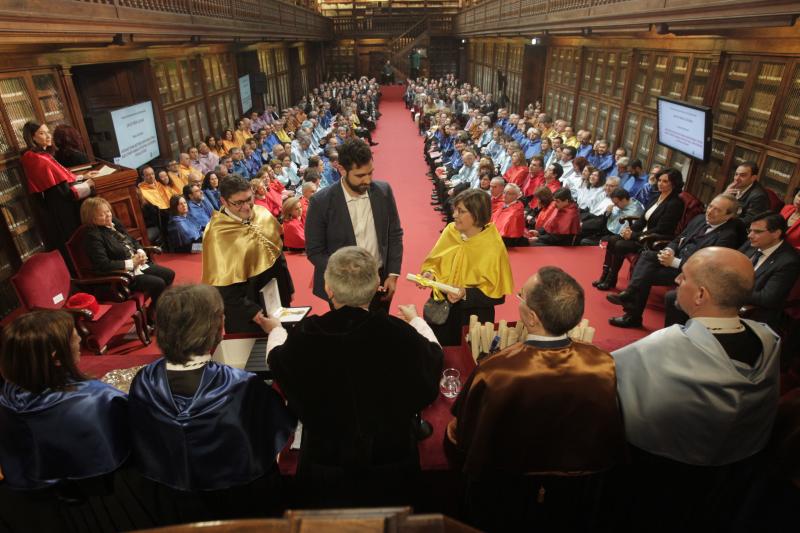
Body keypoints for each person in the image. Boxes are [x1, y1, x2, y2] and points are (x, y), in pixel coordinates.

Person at [612, 247, 781, 531]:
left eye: (684, 277)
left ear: (701, 295)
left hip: (663, 475)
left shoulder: (668, 345)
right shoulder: (769, 338)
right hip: (737, 474)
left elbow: (607, 381)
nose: (677, 281)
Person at [448, 267, 625, 532]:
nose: (518, 298)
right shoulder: (602, 363)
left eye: (521, 296)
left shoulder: (497, 370)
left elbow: (462, 436)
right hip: (575, 498)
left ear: (531, 317)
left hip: (505, 493)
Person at [266, 246, 443, 507]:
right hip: (393, 471)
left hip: (325, 473)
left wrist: (277, 331)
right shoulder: (399, 335)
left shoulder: (307, 335)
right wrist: (417, 321)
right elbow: (434, 358)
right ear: (374, 287)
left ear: (328, 288)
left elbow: (277, 362)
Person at [128, 284, 295, 520]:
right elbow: (274, 435)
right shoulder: (240, 387)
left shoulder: (144, 382)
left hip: (171, 505)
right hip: (239, 505)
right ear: (217, 327)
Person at [0, 310, 134, 531]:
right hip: (96, 498)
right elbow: (127, 437)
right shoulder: (93, 400)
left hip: (28, 494)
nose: (80, 339)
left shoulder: (8, 393)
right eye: (74, 336)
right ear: (56, 357)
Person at [607, 194, 744, 328]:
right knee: (647, 256)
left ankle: (632, 313)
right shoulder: (700, 219)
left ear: (729, 215)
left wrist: (674, 262)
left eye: (717, 210)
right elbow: (678, 238)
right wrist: (670, 251)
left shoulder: (727, 236)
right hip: (674, 259)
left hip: (691, 274)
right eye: (710, 206)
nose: (710, 211)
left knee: (645, 275)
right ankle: (631, 301)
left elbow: (707, 266)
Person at [305, 138, 403, 313]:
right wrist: (344, 273)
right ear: (342, 169)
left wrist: (393, 274)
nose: (367, 180)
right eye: (360, 175)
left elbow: (394, 234)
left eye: (370, 173)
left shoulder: (383, 191)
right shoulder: (320, 202)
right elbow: (315, 251)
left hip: (379, 281)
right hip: (343, 287)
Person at [417, 189, 514, 346]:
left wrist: (465, 293)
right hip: (441, 309)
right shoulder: (450, 231)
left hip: (471, 318)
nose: (454, 215)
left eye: (461, 211)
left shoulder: (493, 246)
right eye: (455, 209)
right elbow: (435, 262)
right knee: (438, 351)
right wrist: (430, 274)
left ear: (476, 215)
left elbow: (497, 295)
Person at [201, 175, 294, 334]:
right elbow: (223, 288)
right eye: (238, 203)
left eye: (249, 199)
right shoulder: (217, 235)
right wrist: (254, 314)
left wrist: (288, 289)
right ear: (224, 201)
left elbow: (279, 256)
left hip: (277, 299)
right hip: (248, 311)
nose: (246, 207)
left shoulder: (262, 213)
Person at [82, 196, 175, 320]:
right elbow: (103, 265)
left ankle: (154, 308)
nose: (108, 216)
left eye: (108, 211)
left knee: (169, 274)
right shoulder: (92, 236)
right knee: (158, 283)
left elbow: (131, 240)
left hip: (138, 265)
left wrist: (140, 251)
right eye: (101, 215)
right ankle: (156, 315)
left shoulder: (113, 223)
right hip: (124, 275)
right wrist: (131, 262)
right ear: (91, 219)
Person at [594, 168, 685, 290]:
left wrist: (633, 235)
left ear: (673, 183)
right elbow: (642, 220)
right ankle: (604, 275)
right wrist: (629, 230)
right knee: (612, 239)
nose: (660, 183)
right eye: (659, 180)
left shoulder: (675, 203)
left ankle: (611, 278)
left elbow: (662, 229)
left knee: (620, 245)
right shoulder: (657, 197)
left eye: (665, 181)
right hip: (640, 234)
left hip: (651, 240)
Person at [20, 121, 95, 251]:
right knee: (72, 242)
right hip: (60, 206)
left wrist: (83, 177)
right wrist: (87, 185)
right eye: (42, 133)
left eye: (48, 132)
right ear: (32, 137)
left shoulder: (44, 155)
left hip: (60, 201)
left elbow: (62, 178)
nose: (48, 136)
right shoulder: (34, 157)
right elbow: (62, 190)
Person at [723, 161, 770, 226]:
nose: (737, 178)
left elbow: (749, 221)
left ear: (753, 178)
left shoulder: (759, 196)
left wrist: (724, 221)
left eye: (742, 175)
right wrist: (724, 196)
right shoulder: (735, 186)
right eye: (736, 174)